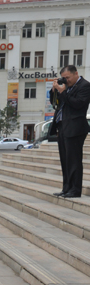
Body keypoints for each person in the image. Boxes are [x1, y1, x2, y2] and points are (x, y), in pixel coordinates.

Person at [50, 65, 90, 198]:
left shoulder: (84, 86)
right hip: (62, 126)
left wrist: (63, 92)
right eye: (64, 78)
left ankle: (75, 189)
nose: (66, 80)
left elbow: (78, 104)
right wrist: (54, 90)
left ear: (76, 74)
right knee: (65, 160)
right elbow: (54, 103)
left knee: (74, 160)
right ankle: (66, 188)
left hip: (76, 127)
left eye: (67, 77)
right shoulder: (66, 88)